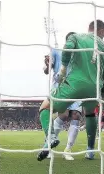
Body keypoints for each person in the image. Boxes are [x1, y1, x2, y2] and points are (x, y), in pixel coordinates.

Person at [37, 19, 104, 161]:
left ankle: (51, 137)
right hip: (95, 88)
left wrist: (63, 71)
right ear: (101, 31)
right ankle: (90, 150)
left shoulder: (76, 37)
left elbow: (68, 46)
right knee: (89, 114)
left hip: (74, 84)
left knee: (45, 108)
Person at [43, 32, 82, 161]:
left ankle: (68, 149)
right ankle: (48, 145)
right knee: (64, 115)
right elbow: (46, 71)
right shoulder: (56, 51)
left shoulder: (81, 54)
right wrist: (47, 63)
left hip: (75, 87)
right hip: (60, 86)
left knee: (76, 115)